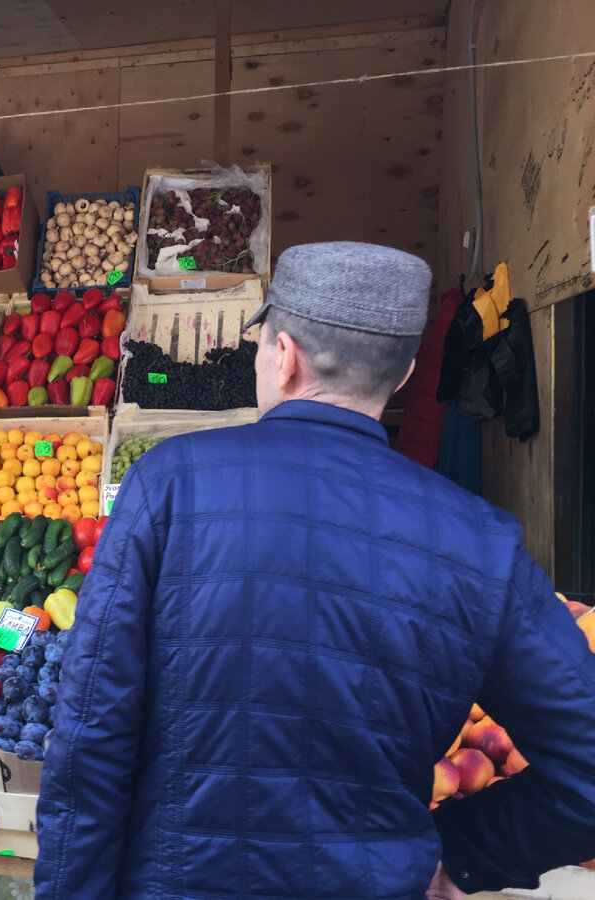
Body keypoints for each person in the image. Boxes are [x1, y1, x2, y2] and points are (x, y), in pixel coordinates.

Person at [34, 242, 595, 900]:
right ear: (408, 371)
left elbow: (91, 735)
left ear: (282, 354)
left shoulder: (169, 485)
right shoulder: (480, 543)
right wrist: (466, 855)